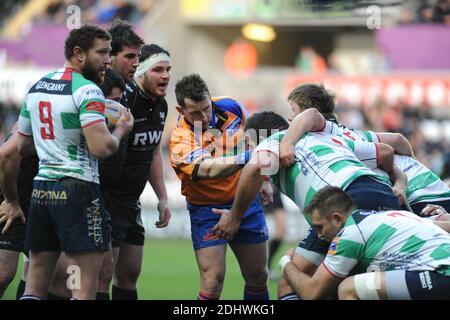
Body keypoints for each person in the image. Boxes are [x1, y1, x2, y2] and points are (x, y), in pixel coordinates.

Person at [212, 111, 403, 300]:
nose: (249, 148)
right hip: (385, 196)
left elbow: (253, 167)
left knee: (291, 282)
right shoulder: (322, 138)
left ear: (260, 137)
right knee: (362, 282)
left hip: (343, 202)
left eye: (250, 143)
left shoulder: (274, 140)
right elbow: (385, 152)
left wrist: (234, 218)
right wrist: (400, 184)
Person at [16, 24, 133, 300]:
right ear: (78, 53)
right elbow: (102, 148)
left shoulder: (36, 87)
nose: (108, 60)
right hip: (78, 193)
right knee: (82, 288)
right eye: (102, 53)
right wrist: (121, 130)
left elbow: (22, 144)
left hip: (42, 192)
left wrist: (56, 141)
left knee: (35, 286)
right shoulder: (88, 91)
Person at [170, 73, 270, 300]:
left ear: (210, 99)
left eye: (206, 108)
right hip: (207, 210)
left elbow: (255, 135)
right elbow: (208, 169)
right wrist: (250, 158)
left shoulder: (231, 105)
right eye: (195, 112)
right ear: (181, 111)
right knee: (212, 281)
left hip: (244, 200)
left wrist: (264, 177)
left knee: (258, 276)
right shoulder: (180, 139)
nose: (204, 116)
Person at [280, 83, 450, 216]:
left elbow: (310, 115)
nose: (289, 117)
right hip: (432, 186)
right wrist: (414, 166)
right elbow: (398, 140)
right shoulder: (350, 132)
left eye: (293, 110)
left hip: (420, 196)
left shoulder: (327, 133)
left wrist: (287, 143)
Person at [278, 186, 450, 300]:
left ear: (337, 219)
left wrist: (286, 263)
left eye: (320, 227)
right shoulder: (392, 216)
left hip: (441, 275)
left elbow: (311, 293)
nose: (319, 235)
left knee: (347, 288)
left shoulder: (349, 236)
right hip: (435, 271)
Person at [100, 43, 172, 300]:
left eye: (168, 70)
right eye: (158, 70)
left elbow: (153, 152)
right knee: (103, 274)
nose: (165, 76)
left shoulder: (161, 106)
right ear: (141, 71)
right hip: (106, 200)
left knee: (130, 274)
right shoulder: (123, 101)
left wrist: (163, 197)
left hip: (131, 202)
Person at [263, 183, 287, 280]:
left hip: (274, 192)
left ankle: (268, 265)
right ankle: (257, 267)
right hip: (257, 188)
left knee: (281, 231)